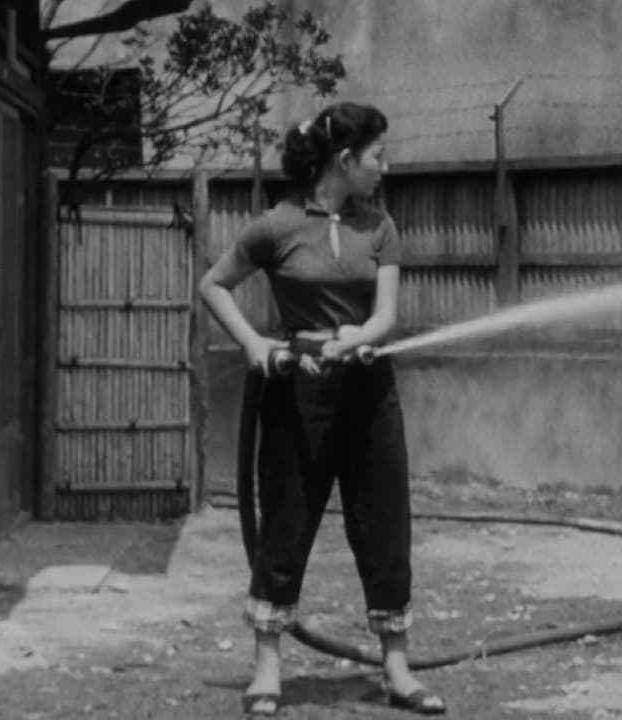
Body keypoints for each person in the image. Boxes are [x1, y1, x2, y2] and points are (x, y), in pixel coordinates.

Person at [199, 102, 446, 716]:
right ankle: (267, 670)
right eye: (378, 156)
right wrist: (255, 344)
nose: (385, 167)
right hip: (297, 394)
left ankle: (397, 669)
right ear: (345, 160)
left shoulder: (381, 227)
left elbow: (386, 317)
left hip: (369, 391)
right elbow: (213, 285)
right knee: (286, 522)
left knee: (384, 524)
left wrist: (355, 339)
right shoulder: (277, 226)